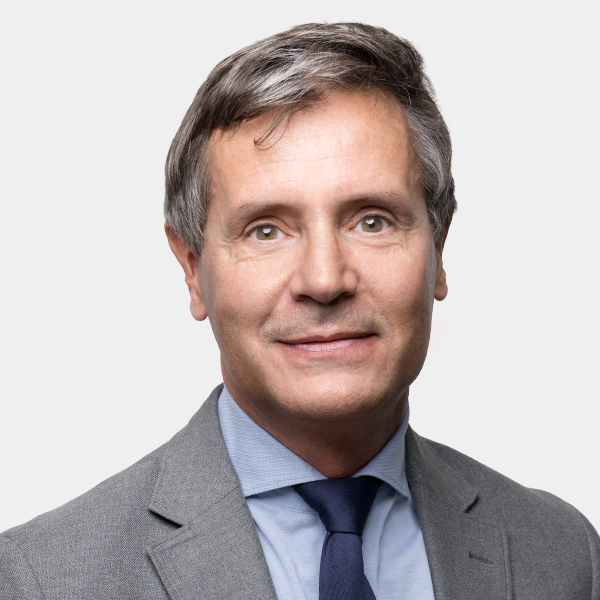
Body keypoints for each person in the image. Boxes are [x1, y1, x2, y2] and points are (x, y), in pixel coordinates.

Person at [1, 21, 598, 600]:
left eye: (372, 221)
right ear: (192, 270)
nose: (324, 280)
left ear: (438, 251)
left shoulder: (565, 555)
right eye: (266, 230)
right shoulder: (37, 581)